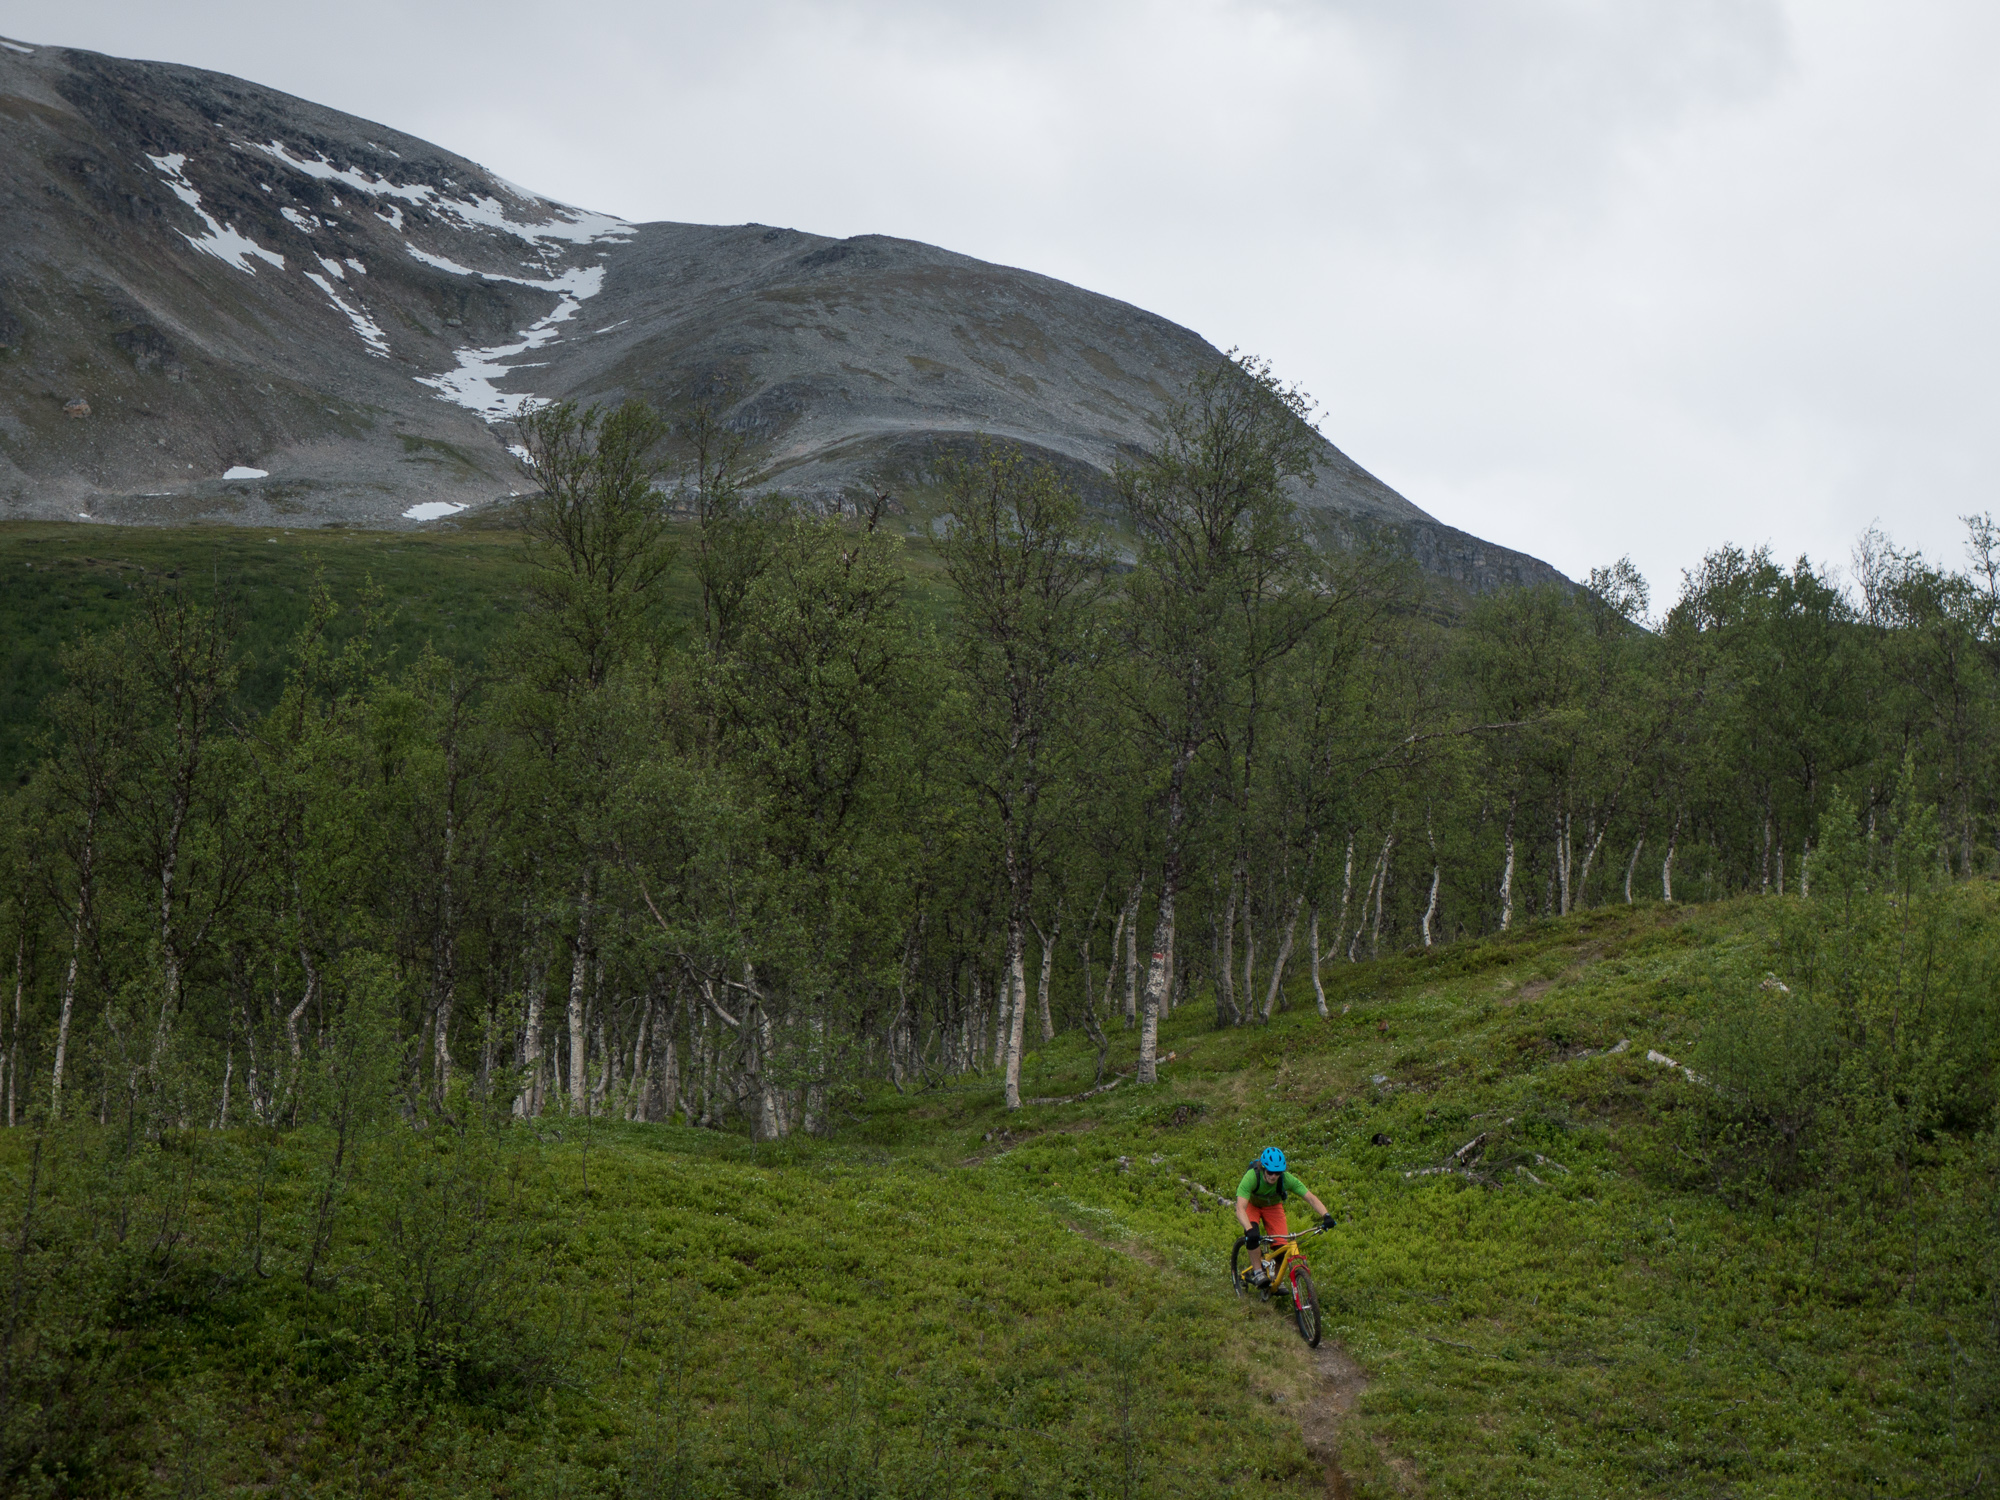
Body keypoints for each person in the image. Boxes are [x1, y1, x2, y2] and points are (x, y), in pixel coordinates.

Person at [1235, 1147, 1334, 1286]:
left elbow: (1310, 1198)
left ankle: (1275, 1279)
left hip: (1273, 1208)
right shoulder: (1251, 1177)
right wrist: (1249, 1229)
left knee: (1281, 1247)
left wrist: (1326, 1215)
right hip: (1252, 1206)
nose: (1273, 1176)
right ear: (1263, 1168)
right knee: (1252, 1235)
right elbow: (1240, 1208)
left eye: (1277, 1173)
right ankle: (1258, 1272)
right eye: (1270, 1172)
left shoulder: (1286, 1179)